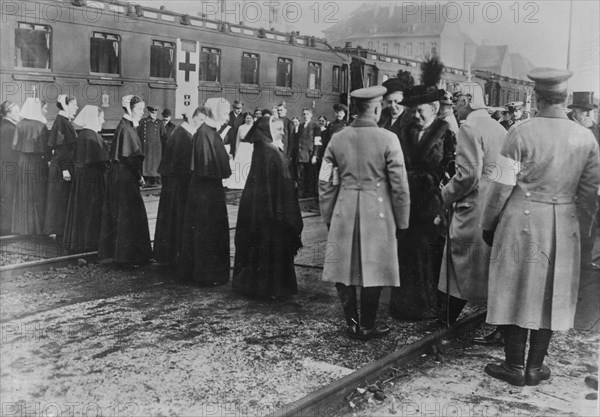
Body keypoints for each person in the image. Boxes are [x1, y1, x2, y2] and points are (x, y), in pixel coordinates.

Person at [481, 68, 600, 387]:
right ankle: (535, 367)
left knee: (517, 288)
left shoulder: (520, 131)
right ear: (564, 99)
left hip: (521, 219)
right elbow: (590, 196)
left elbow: (500, 185)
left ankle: (513, 365)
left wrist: (488, 223)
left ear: (537, 95)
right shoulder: (585, 137)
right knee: (550, 292)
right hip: (563, 224)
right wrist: (583, 233)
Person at [319, 86, 410, 340]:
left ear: (355, 109)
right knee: (374, 266)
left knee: (342, 268)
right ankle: (368, 324)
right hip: (378, 211)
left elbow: (325, 181)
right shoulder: (389, 139)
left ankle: (351, 322)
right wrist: (402, 220)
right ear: (377, 108)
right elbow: (400, 184)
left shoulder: (337, 138)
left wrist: (328, 214)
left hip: (343, 209)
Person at [437, 90, 508, 325]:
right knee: (482, 263)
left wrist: (444, 195)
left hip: (471, 205)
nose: (455, 108)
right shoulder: (498, 128)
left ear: (466, 101)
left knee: (457, 265)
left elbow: (467, 176)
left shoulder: (468, 128)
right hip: (492, 204)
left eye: (456, 103)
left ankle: (444, 320)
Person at [388, 82, 456, 321]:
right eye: (412, 111)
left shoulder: (446, 133)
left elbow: (452, 170)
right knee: (406, 250)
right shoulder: (402, 132)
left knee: (429, 251)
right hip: (405, 197)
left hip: (431, 201)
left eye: (421, 110)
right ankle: (404, 305)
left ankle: (429, 305)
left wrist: (443, 202)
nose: (416, 115)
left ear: (434, 108)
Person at [232, 116, 303, 299]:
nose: (282, 133)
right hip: (271, 212)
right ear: (268, 130)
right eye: (278, 129)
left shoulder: (264, 149)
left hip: (264, 208)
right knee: (270, 247)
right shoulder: (268, 151)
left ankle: (259, 286)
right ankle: (271, 288)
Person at [178, 98, 232, 286]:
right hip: (205, 192)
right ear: (215, 112)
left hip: (210, 189)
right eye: (225, 113)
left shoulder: (210, 132)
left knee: (211, 231)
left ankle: (212, 272)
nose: (227, 118)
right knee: (206, 231)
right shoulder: (205, 133)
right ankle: (206, 274)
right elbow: (206, 165)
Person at [98, 95, 153, 265]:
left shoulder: (126, 126)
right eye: (139, 109)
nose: (142, 113)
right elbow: (130, 158)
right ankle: (129, 256)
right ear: (130, 109)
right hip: (125, 177)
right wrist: (138, 175)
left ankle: (128, 255)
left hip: (123, 175)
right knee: (129, 215)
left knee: (127, 215)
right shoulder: (127, 129)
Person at [154, 107, 207, 266]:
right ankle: (173, 256)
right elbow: (185, 167)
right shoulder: (185, 136)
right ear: (191, 119)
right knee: (176, 220)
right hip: (178, 186)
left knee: (169, 220)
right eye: (200, 120)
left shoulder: (179, 132)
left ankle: (167, 254)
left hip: (172, 184)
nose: (202, 124)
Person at [62, 105, 108, 252]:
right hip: (92, 181)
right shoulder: (91, 137)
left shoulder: (84, 134)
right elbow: (100, 160)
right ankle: (90, 243)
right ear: (94, 118)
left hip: (84, 179)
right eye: (101, 117)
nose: (103, 121)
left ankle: (82, 243)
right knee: (90, 212)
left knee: (83, 212)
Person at [567, 92, 599, 271]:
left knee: (590, 223)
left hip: (589, 185)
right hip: (571, 187)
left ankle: (585, 260)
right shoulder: (568, 127)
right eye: (585, 112)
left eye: (590, 112)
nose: (588, 115)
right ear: (575, 111)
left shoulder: (590, 129)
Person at [11, 97, 51, 235]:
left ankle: (22, 228)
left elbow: (15, 147)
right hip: (38, 163)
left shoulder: (19, 124)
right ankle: (38, 228)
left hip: (23, 163)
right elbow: (47, 150)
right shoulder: (41, 126)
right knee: (38, 194)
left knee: (23, 194)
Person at [44, 95, 78, 242]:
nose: (76, 107)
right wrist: (65, 169)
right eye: (74, 104)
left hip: (60, 166)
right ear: (66, 105)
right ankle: (60, 232)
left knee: (60, 199)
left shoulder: (62, 121)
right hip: (62, 167)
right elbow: (61, 147)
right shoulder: (63, 122)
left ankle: (60, 230)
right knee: (61, 199)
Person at [0, 101, 20, 235]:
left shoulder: (3, 126)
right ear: (8, 112)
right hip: (11, 166)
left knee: (5, 195)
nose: (19, 114)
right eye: (16, 112)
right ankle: (6, 227)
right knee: (9, 195)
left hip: (4, 166)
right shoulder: (11, 129)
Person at [138, 105, 167, 186]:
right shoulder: (143, 122)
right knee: (145, 164)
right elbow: (137, 134)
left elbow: (164, 137)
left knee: (155, 165)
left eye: (155, 113)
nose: (154, 114)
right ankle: (145, 179)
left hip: (156, 150)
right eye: (152, 113)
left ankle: (155, 180)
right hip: (145, 148)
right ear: (148, 112)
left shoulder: (160, 123)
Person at [226, 112, 255, 190]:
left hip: (250, 147)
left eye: (250, 118)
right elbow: (238, 139)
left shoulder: (255, 128)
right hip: (242, 147)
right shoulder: (241, 127)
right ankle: (238, 183)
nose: (248, 120)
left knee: (248, 164)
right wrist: (236, 150)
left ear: (253, 119)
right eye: (247, 118)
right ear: (245, 119)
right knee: (239, 164)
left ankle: (247, 183)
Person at [297, 108, 321, 197]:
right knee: (301, 176)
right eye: (304, 114)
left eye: (307, 114)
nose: (305, 116)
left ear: (311, 115)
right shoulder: (300, 125)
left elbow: (318, 143)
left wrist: (315, 155)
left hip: (310, 155)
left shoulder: (315, 126)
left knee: (310, 176)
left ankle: (309, 196)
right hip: (300, 155)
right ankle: (301, 194)